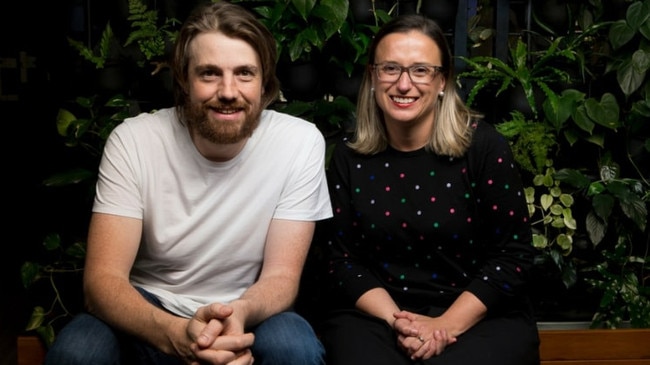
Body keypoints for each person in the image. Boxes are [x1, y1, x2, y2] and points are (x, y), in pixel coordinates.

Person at [44, 1, 332, 364]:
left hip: (248, 306)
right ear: (183, 79)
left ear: (264, 83)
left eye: (245, 73)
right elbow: (102, 281)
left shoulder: (299, 142)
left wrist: (236, 318)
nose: (228, 91)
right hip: (150, 305)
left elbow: (281, 278)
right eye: (209, 73)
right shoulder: (134, 140)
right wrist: (175, 334)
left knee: (296, 349)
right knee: (76, 354)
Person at [317, 14, 541, 365]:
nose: (404, 84)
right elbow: (341, 261)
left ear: (442, 82)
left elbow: (512, 257)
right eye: (390, 68)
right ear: (373, 78)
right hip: (378, 315)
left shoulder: (484, 147)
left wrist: (445, 325)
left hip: (477, 313)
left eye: (421, 70)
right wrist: (399, 321)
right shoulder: (348, 156)